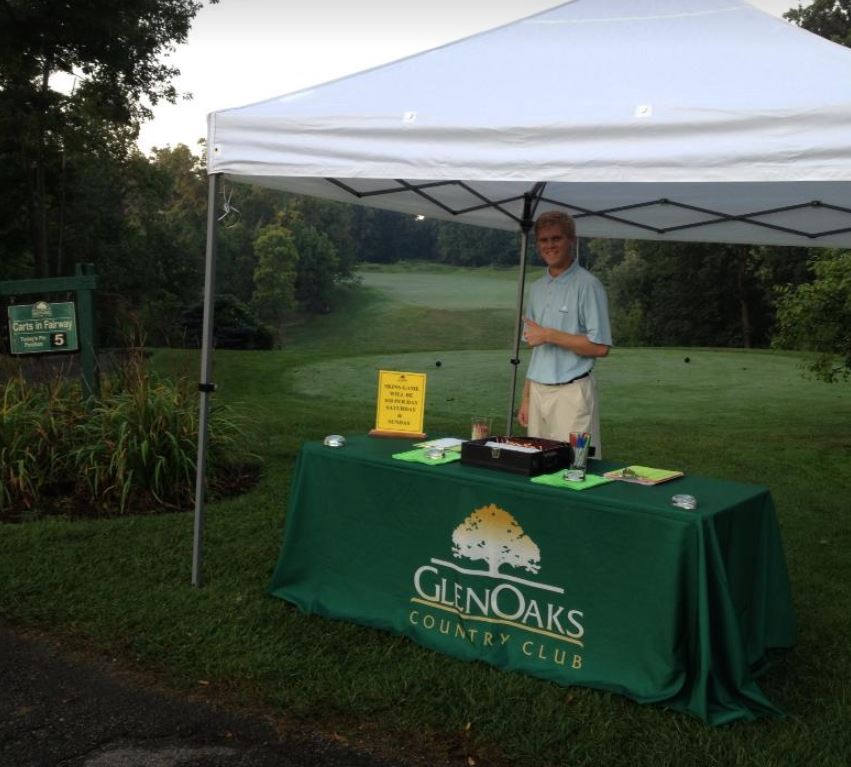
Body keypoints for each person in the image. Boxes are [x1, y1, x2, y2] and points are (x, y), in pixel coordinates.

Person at [517, 210, 612, 455]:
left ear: (572, 241)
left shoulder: (588, 285)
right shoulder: (537, 288)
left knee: (575, 467)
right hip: (538, 392)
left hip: (572, 394)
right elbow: (536, 351)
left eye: (556, 238)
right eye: (544, 240)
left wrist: (549, 335)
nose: (550, 245)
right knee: (538, 465)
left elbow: (600, 347)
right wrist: (526, 397)